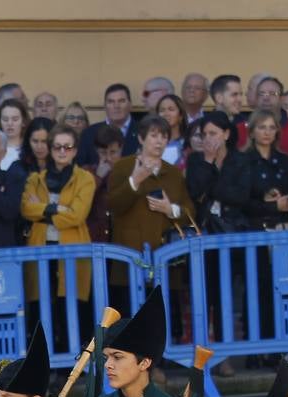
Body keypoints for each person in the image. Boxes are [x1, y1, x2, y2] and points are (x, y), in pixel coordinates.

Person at [108, 117, 195, 310]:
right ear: (141, 138)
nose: (159, 141)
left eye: (164, 136)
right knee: (129, 323)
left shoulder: (173, 173)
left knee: (164, 323)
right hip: (129, 258)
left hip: (165, 261)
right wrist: (134, 181)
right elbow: (113, 205)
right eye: (153, 136)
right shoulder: (123, 167)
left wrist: (169, 209)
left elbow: (189, 211)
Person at [21, 124, 94, 329]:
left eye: (68, 147)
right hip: (40, 247)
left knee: (72, 307)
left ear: (76, 150)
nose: (62, 151)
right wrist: (58, 208)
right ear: (51, 149)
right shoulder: (36, 179)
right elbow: (26, 208)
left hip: (72, 249)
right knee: (40, 307)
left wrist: (42, 211)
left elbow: (78, 215)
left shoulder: (85, 179)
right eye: (57, 147)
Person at [78, 84, 136, 165]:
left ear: (130, 104)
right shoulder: (89, 134)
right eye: (111, 102)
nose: (116, 106)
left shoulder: (143, 132)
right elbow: (81, 168)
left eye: (121, 101)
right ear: (104, 106)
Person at [155, 95, 191, 166]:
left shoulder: (188, 144)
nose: (166, 114)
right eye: (162, 110)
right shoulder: (151, 143)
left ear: (181, 115)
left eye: (171, 109)